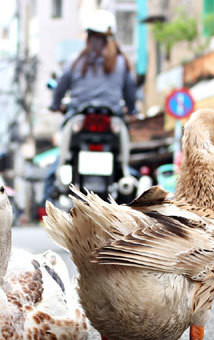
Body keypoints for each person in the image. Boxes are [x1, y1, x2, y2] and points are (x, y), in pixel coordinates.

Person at [45, 9, 137, 205]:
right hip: (113, 123)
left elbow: (60, 87)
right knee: (125, 165)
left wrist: (55, 105)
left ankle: (55, 188)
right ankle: (125, 179)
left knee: (57, 167)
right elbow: (131, 94)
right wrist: (131, 110)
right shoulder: (122, 62)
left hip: (77, 121)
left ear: (87, 35)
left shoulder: (74, 61)